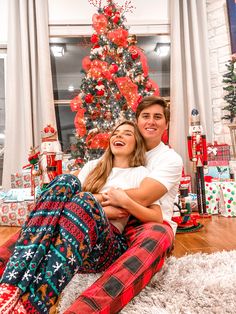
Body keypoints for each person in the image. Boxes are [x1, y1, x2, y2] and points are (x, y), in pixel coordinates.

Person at [0, 120, 163, 314]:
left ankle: (34, 304)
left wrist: (125, 202)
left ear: (136, 143)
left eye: (127, 133)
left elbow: (157, 216)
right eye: (116, 133)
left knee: (84, 200)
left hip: (105, 246)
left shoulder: (141, 173)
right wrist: (104, 202)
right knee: (65, 180)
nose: (118, 136)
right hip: (70, 239)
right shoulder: (93, 167)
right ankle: (11, 282)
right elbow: (69, 200)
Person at [64, 95, 183, 314]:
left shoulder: (169, 159)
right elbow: (89, 181)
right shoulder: (120, 152)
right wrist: (91, 200)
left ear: (166, 124)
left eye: (158, 117)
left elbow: (145, 196)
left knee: (158, 235)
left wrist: (95, 200)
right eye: (145, 116)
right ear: (137, 121)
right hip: (107, 222)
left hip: (145, 221)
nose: (151, 122)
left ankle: (86, 309)